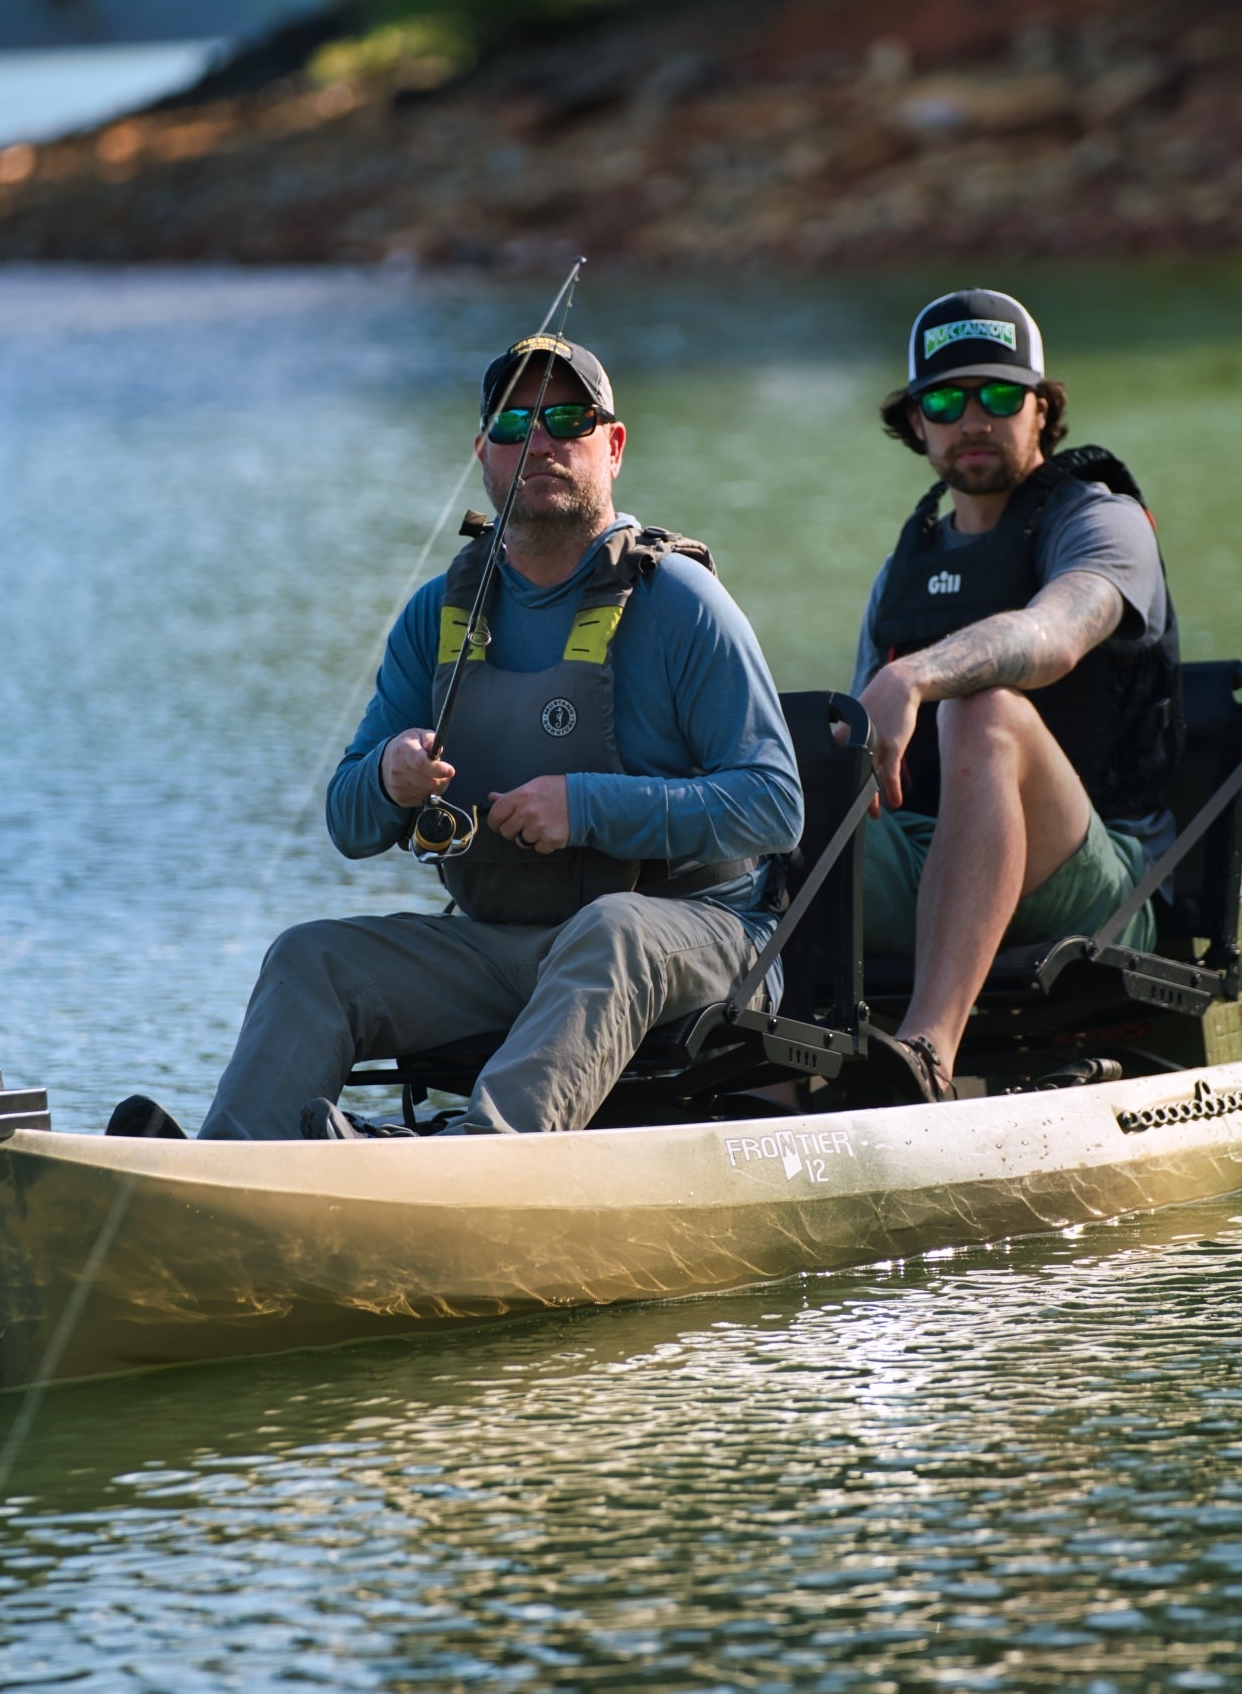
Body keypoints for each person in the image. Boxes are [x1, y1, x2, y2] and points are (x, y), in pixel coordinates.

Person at [123, 333, 802, 1140]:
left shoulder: (681, 602)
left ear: (612, 446)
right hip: (504, 951)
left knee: (610, 927)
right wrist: (389, 779)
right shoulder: (434, 617)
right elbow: (348, 821)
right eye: (514, 426)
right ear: (483, 451)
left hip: (699, 942)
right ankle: (227, 1179)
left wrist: (585, 806)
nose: (540, 440)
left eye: (567, 418)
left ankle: (470, 1167)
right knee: (310, 959)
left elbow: (775, 807)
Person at [851, 288, 1182, 1101]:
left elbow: (1057, 636)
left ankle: (927, 1050)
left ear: (1042, 410)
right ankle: (724, 1059)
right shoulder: (904, 567)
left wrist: (920, 674)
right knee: (759, 770)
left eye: (999, 395)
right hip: (928, 851)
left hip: (1100, 878)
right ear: (916, 422)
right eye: (945, 399)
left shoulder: (1103, 524)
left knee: (986, 708)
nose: (973, 418)